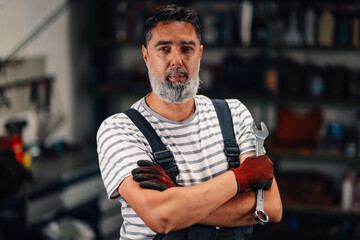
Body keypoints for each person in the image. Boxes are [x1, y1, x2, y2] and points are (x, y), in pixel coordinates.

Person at [97, 4, 282, 240]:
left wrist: (176, 197)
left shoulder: (234, 115)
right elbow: (161, 217)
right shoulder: (120, 129)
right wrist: (240, 178)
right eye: (164, 48)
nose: (176, 60)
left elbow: (272, 207)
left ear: (200, 53)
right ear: (146, 55)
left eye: (187, 48)